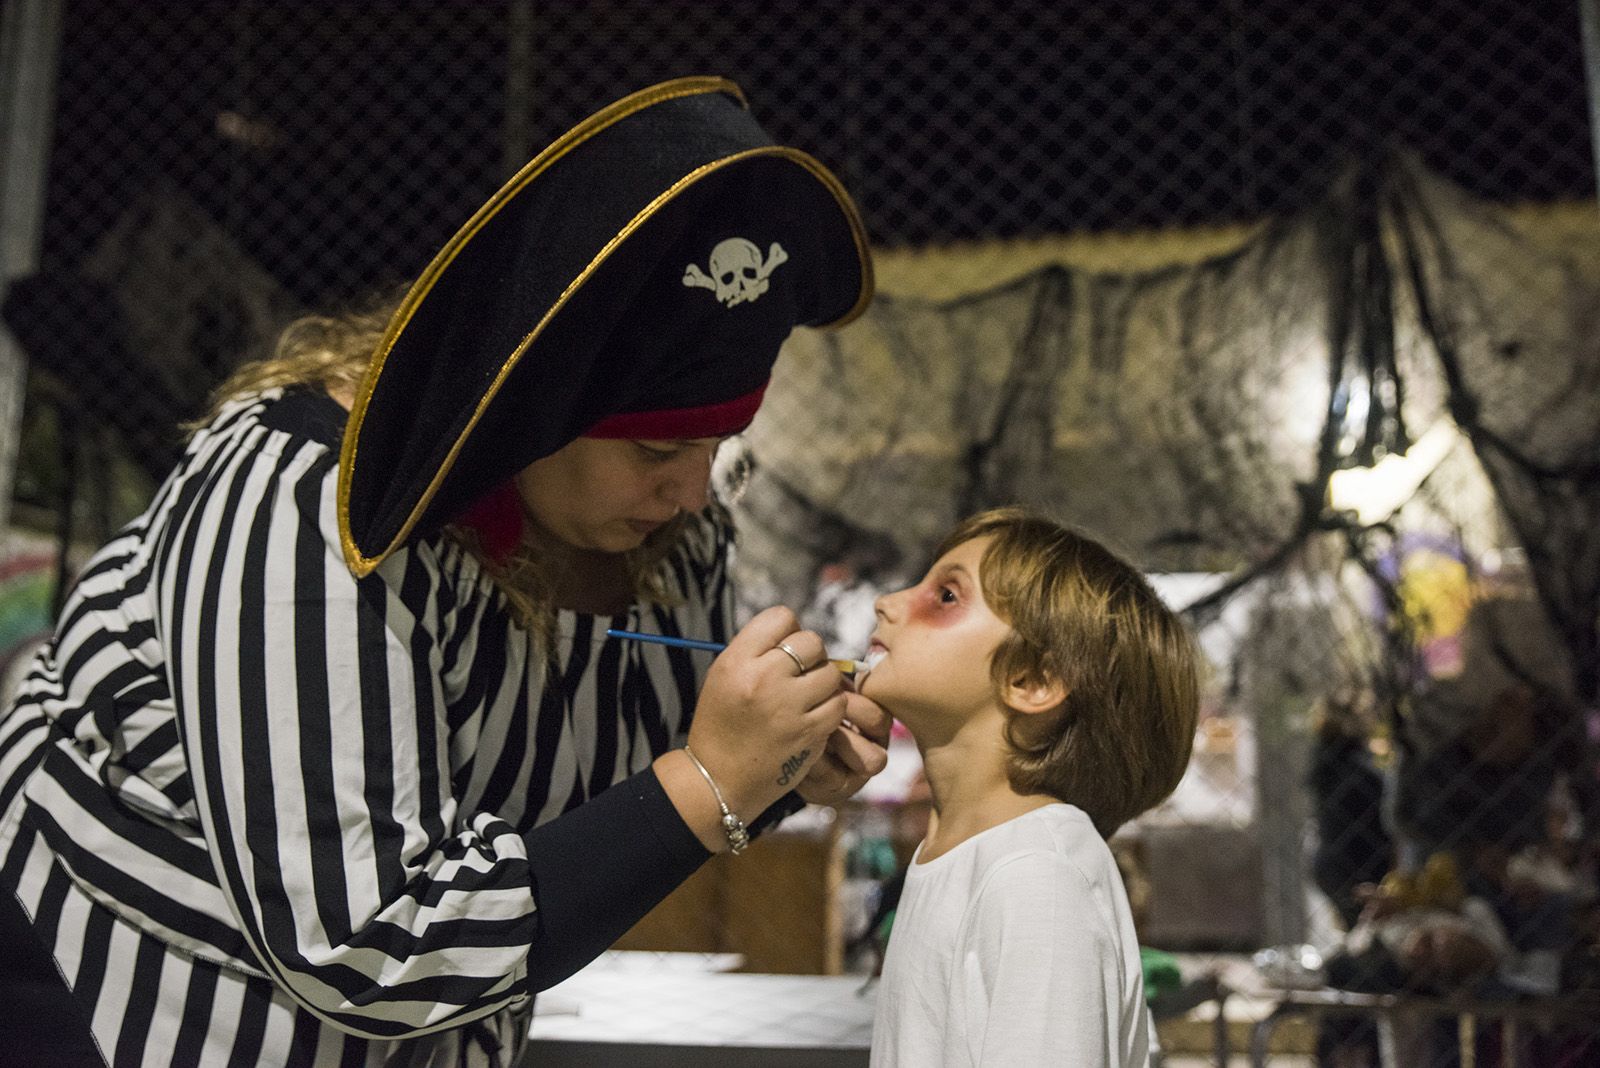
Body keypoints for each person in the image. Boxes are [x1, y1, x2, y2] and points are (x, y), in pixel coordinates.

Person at [0, 77, 891, 1066]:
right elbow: (361, 944)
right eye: (656, 448)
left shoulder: (669, 538)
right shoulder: (308, 499)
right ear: (528, 403)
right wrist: (716, 782)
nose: (690, 492)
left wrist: (778, 767)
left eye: (717, 447)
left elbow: (627, 812)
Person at [865, 508, 1199, 1067]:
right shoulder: (963, 855)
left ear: (1032, 680)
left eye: (946, 595)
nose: (887, 602)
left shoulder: (1038, 878)